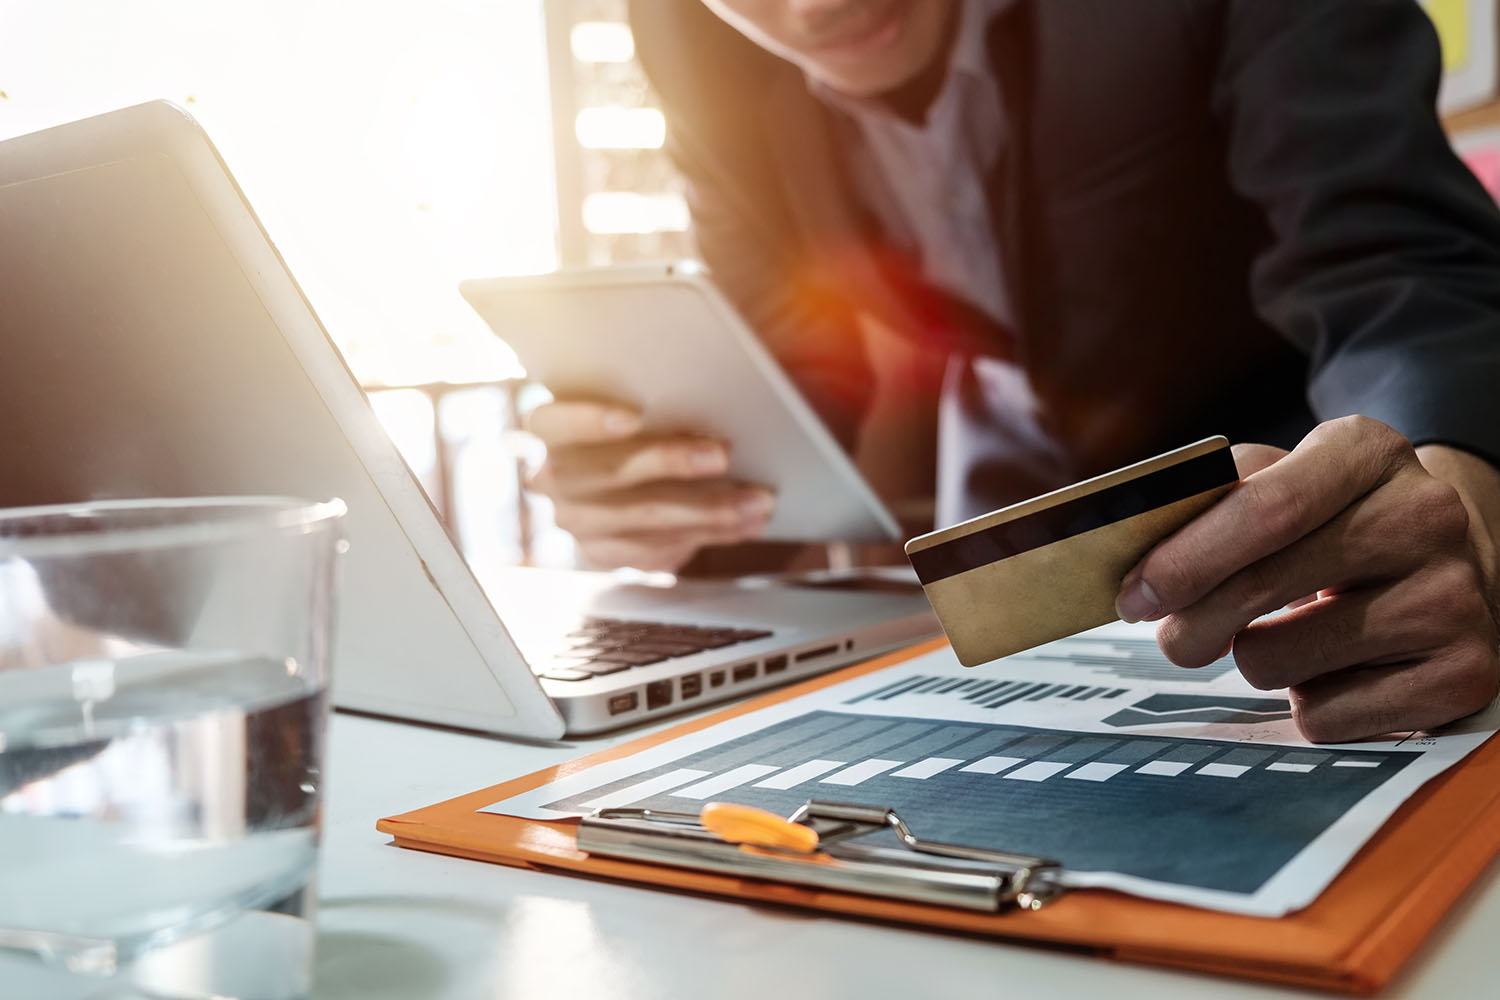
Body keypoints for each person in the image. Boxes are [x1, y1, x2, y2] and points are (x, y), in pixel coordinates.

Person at [526, 0, 1500, 743]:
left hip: (1282, 515)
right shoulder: (682, 35)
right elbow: (794, 337)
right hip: (1002, 525)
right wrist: (685, 478)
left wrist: (1449, 482)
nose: (814, 9)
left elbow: (1388, 263)